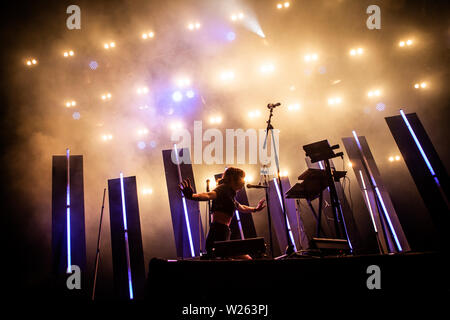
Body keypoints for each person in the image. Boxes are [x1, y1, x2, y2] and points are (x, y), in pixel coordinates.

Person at [179, 167, 266, 259]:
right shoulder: (223, 189)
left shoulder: (230, 195)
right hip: (217, 233)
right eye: (242, 178)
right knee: (247, 258)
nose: (243, 182)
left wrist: (255, 209)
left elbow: (241, 207)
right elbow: (209, 195)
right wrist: (192, 196)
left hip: (222, 233)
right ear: (233, 178)